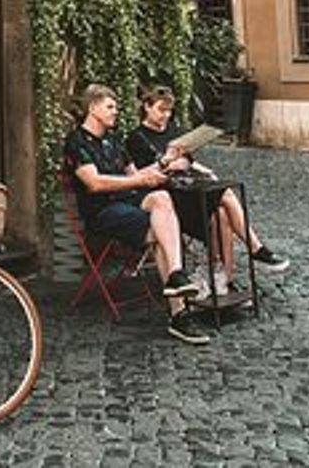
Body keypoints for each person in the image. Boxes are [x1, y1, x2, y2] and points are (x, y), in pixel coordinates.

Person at [63, 84, 210, 345]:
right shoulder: (77, 142)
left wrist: (164, 162)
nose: (115, 111)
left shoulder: (113, 139)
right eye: (110, 106)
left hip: (126, 201)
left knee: (162, 198)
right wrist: (140, 182)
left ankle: (176, 275)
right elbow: (95, 183)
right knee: (162, 231)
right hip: (103, 211)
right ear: (92, 108)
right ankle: (179, 314)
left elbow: (136, 175)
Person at [125, 86, 289, 297]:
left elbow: (188, 160)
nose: (166, 115)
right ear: (147, 107)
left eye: (169, 111)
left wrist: (192, 165)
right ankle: (255, 249)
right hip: (168, 196)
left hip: (188, 187)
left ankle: (225, 277)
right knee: (225, 195)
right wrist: (168, 164)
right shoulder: (136, 137)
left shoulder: (175, 131)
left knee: (223, 212)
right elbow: (141, 176)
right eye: (161, 110)